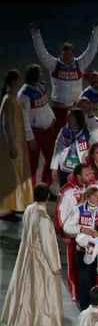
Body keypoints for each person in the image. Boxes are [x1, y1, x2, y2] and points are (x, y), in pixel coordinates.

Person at [1, 183, 63, 326]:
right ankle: (37, 323)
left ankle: (21, 318)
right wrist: (55, 266)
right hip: (40, 261)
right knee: (40, 291)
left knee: (25, 287)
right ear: (48, 196)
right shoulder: (44, 220)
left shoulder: (29, 209)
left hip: (27, 255)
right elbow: (47, 245)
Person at [0, 69, 32, 219]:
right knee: (10, 178)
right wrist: (12, 145)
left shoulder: (12, 98)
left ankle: (14, 206)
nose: (20, 82)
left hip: (15, 142)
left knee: (15, 176)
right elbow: (7, 126)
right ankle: (6, 209)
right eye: (18, 80)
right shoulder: (9, 100)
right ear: (13, 82)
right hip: (10, 145)